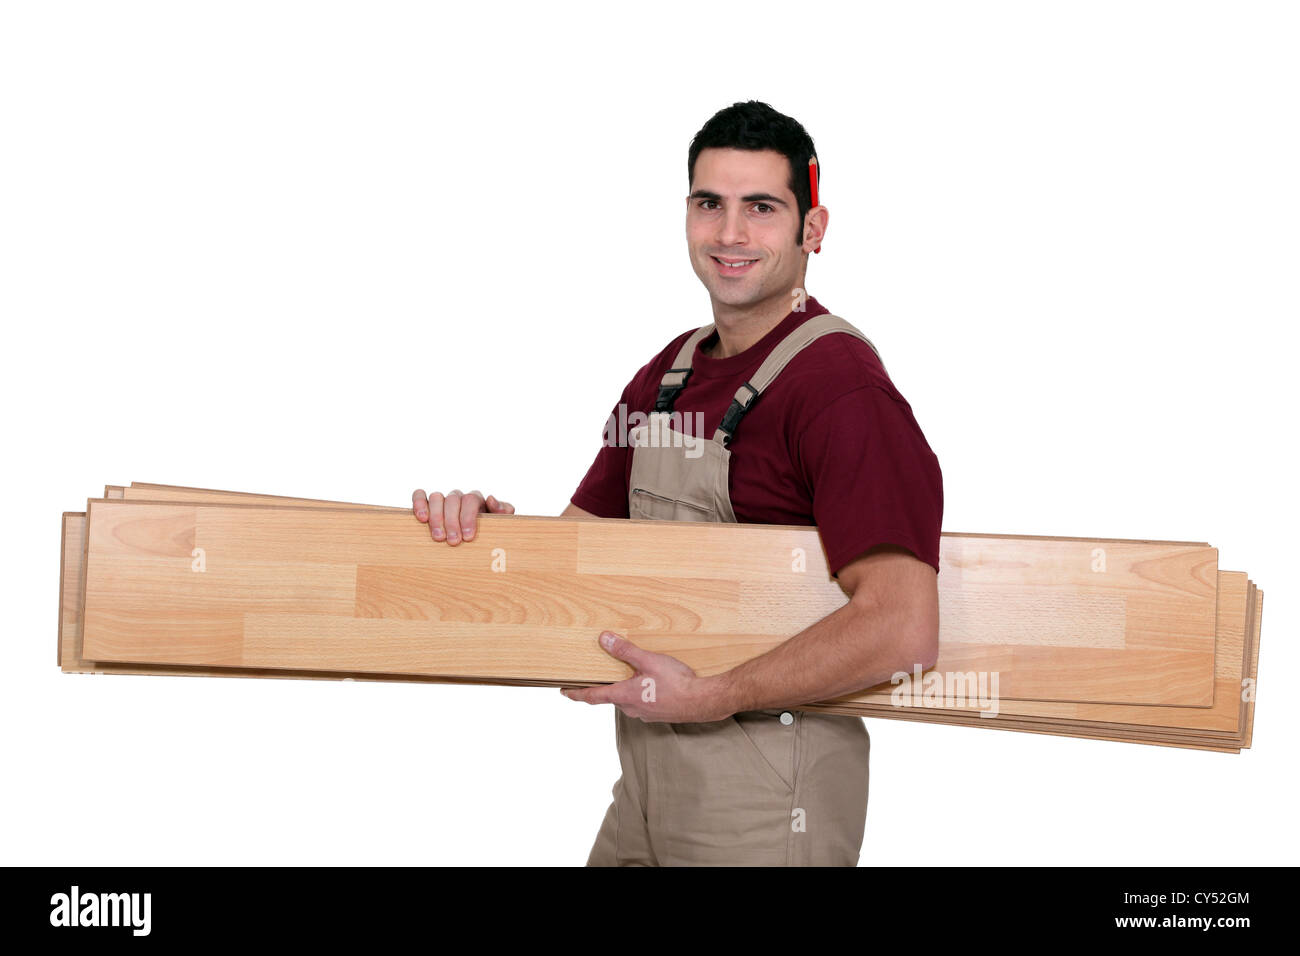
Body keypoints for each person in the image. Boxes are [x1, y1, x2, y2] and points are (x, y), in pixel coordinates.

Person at [412, 100, 943, 866]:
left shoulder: (841, 390)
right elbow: (573, 559)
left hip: (765, 800)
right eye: (709, 205)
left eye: (762, 207)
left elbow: (903, 627)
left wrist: (711, 696)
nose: (730, 234)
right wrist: (487, 534)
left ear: (812, 230)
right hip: (646, 787)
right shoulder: (668, 375)